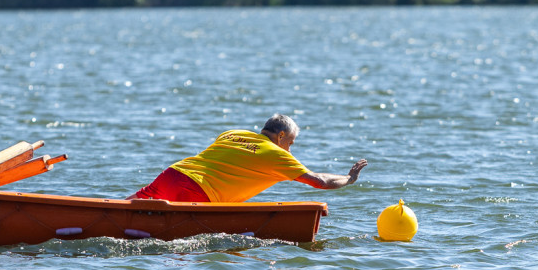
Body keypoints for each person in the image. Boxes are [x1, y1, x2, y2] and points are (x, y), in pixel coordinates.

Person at [127, 114, 367, 202]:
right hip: (197, 191)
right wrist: (348, 178)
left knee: (124, 208)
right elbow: (319, 181)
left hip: (173, 173)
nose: (290, 151)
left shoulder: (233, 134)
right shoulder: (275, 155)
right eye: (290, 143)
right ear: (281, 135)